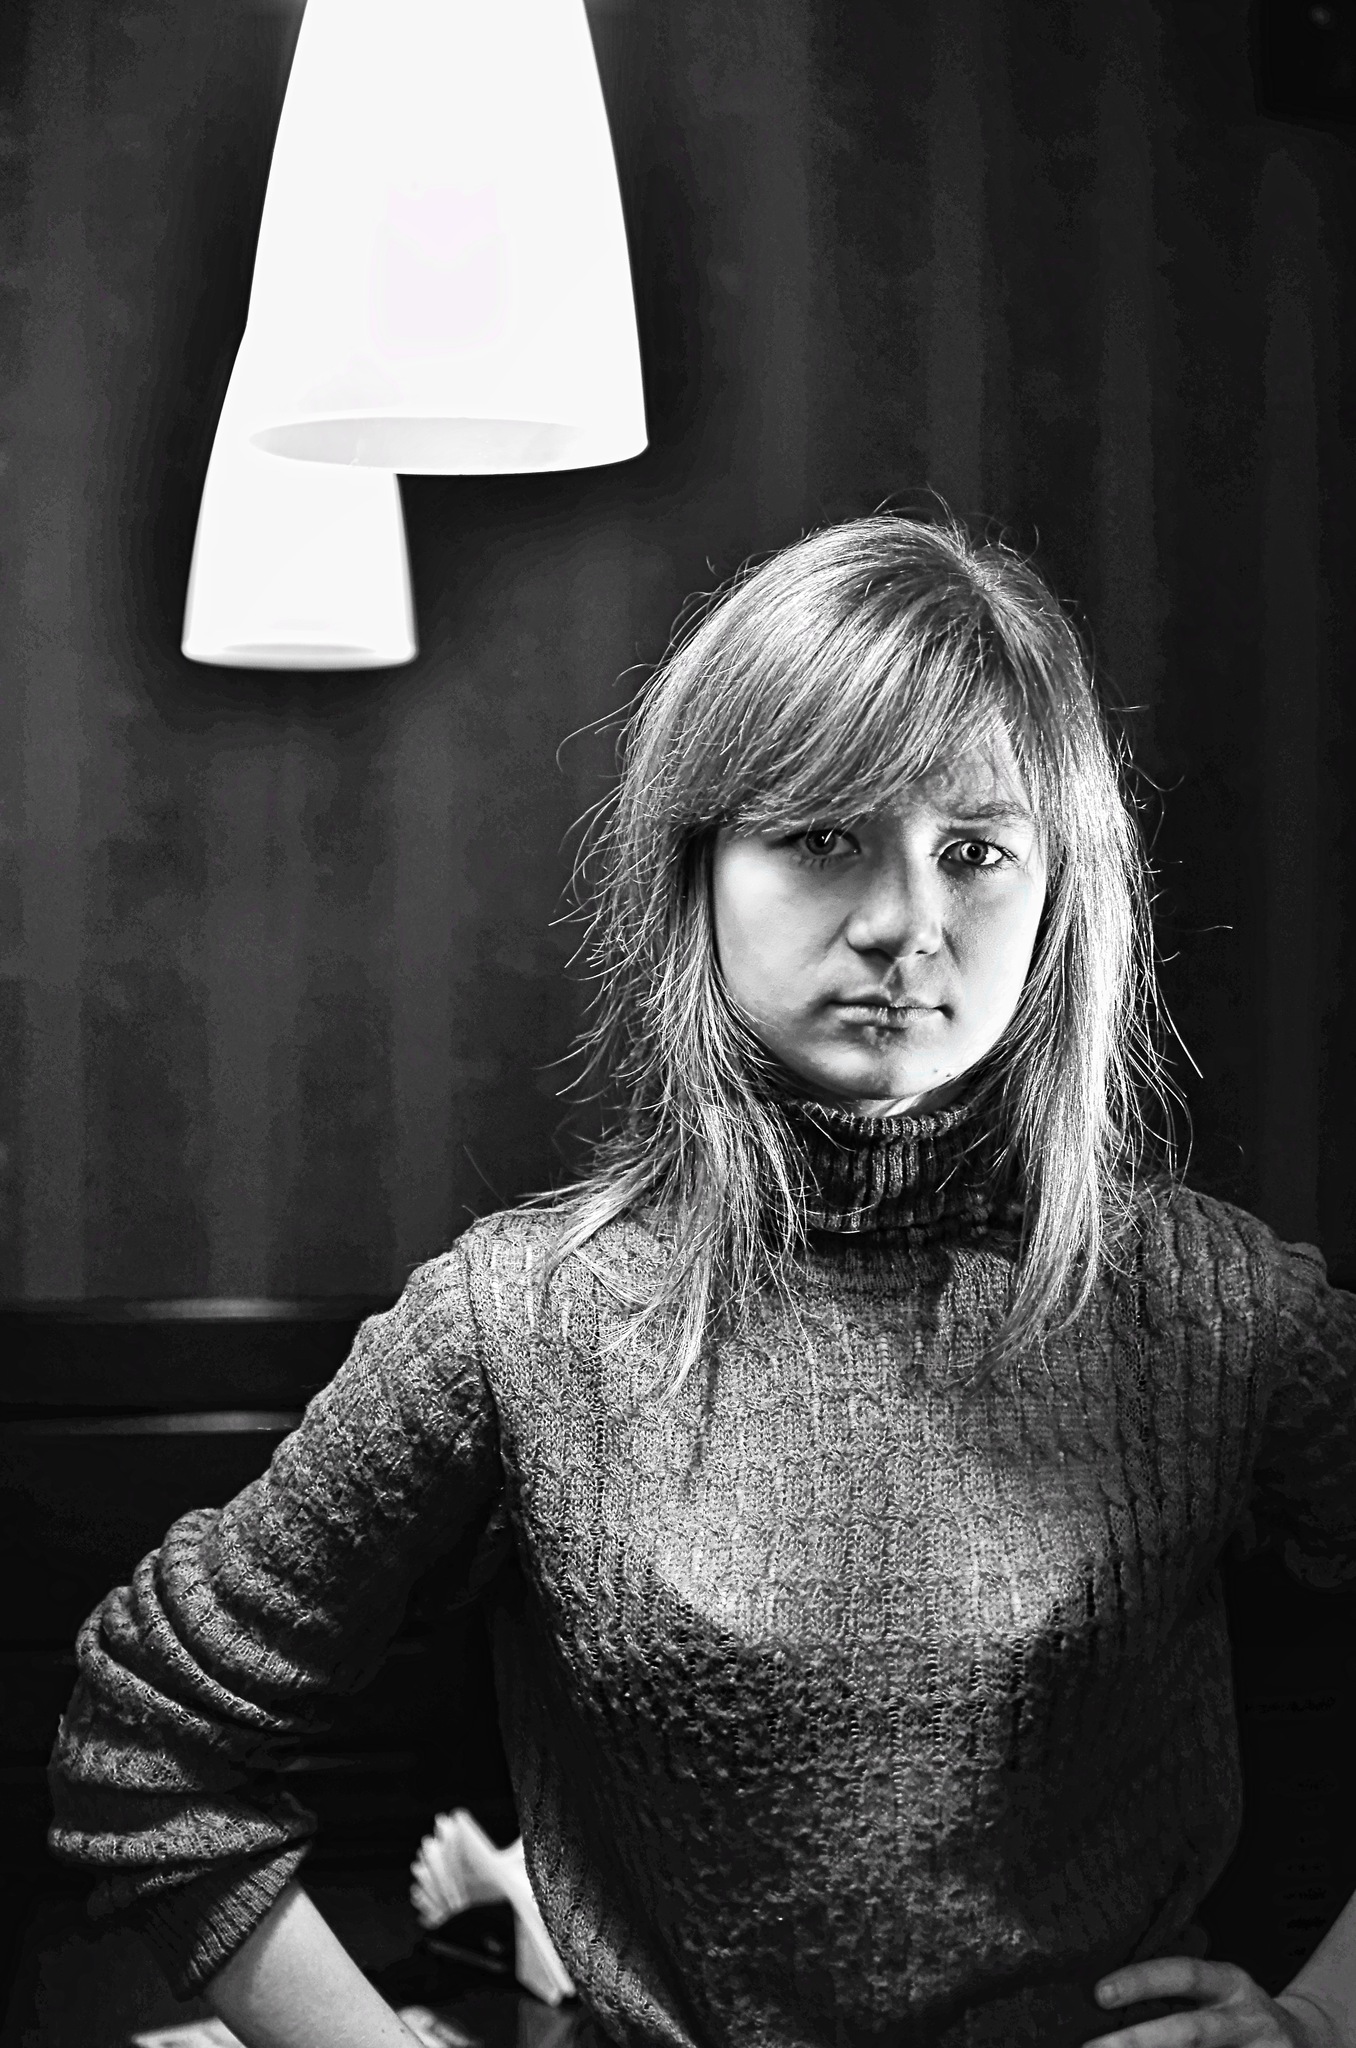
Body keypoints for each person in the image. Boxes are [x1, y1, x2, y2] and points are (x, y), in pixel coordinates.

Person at [47, 513, 1356, 2048]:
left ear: (1058, 891)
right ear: (701, 870)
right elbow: (145, 1749)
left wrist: (1321, 2017)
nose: (904, 924)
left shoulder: (1206, 1306)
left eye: (975, 851)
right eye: (820, 838)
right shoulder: (517, 1324)